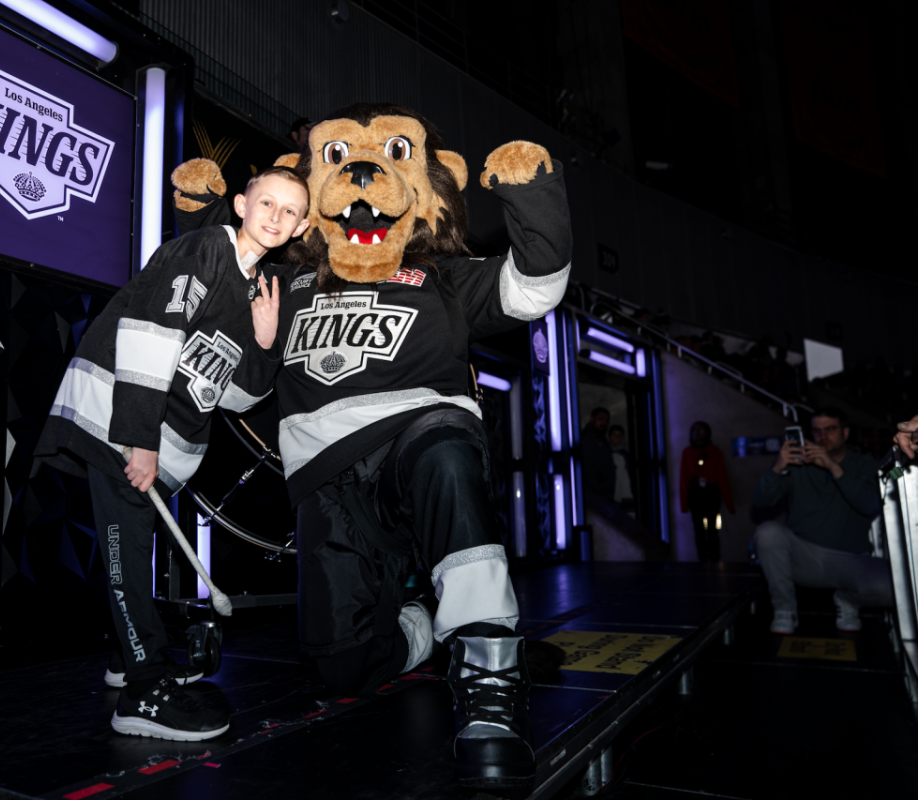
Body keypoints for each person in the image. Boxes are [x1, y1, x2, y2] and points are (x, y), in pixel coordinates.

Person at [174, 103, 572, 791]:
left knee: (446, 452)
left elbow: (536, 286)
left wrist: (532, 195)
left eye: (388, 156)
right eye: (335, 161)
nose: (360, 176)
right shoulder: (285, 285)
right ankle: (426, 621)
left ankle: (489, 678)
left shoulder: (442, 277)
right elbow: (224, 343)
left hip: (420, 436)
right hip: (327, 479)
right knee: (345, 667)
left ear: (430, 184)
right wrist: (203, 222)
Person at [32, 167, 311, 741]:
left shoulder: (255, 287)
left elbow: (237, 395)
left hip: (152, 438)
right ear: (240, 203)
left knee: (130, 550)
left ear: (303, 225)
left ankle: (125, 655)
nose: (275, 217)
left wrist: (262, 343)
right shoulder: (207, 249)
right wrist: (140, 439)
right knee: (125, 552)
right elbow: (148, 332)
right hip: (120, 424)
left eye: (290, 211)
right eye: (267, 203)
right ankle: (142, 690)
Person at [751, 407, 889, 634]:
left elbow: (870, 504)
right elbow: (760, 501)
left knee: (895, 587)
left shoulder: (863, 463)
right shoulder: (798, 464)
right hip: (805, 557)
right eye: (817, 431)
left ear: (845, 433)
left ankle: (847, 600)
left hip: (850, 559)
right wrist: (777, 467)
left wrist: (833, 467)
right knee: (767, 532)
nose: (822, 437)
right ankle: (785, 609)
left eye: (830, 430)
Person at [679, 421, 734, 562]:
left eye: (701, 430)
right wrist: (684, 504)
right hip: (696, 493)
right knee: (698, 528)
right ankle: (702, 559)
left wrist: (730, 504)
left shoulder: (714, 451)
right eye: (694, 430)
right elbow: (684, 478)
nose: (697, 433)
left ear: (708, 432)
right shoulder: (688, 452)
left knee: (712, 528)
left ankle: (715, 558)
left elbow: (722, 476)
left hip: (711, 492)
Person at [581, 408, 615, 499]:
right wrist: (600, 491)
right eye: (601, 419)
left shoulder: (600, 438)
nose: (604, 423)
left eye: (606, 421)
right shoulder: (588, 439)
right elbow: (587, 469)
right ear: (592, 419)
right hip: (595, 495)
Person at [610, 425, 635, 512]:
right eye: (614, 435)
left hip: (625, 492)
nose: (617, 438)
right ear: (610, 437)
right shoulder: (606, 454)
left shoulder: (625, 455)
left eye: (619, 435)